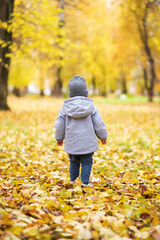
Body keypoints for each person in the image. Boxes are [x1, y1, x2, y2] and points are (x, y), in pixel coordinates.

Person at [55, 75, 108, 187]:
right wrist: (103, 137)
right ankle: (84, 182)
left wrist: (59, 138)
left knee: (73, 162)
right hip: (87, 143)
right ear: (85, 92)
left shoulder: (65, 108)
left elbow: (59, 125)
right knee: (86, 162)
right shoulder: (91, 107)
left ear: (70, 93)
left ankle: (73, 181)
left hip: (72, 142)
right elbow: (99, 124)